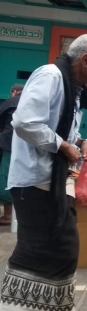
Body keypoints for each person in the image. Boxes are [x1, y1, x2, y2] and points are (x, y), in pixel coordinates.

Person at [0, 34, 87, 311]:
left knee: (57, 252)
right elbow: (25, 123)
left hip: (51, 181)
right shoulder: (50, 76)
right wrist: (62, 146)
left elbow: (63, 128)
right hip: (35, 180)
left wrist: (79, 142)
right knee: (48, 251)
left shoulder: (71, 87)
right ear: (84, 60)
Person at [0, 84, 24, 226]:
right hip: (30, 147)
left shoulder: (11, 101)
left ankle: (8, 215)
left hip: (10, 145)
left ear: (14, 91)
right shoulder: (34, 100)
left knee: (6, 178)